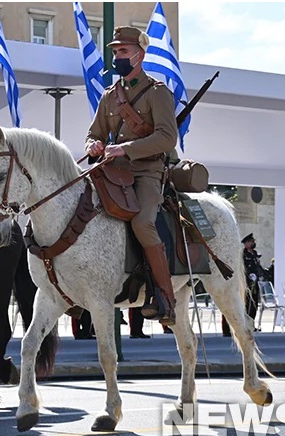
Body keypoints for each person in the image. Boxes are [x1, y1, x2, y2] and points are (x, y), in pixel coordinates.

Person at [84, 26, 179, 325]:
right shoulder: (111, 95)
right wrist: (94, 145)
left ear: (140, 54)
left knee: (142, 222)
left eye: (123, 51)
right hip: (112, 172)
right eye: (115, 52)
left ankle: (164, 297)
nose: (117, 57)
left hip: (146, 172)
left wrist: (125, 148)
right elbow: (93, 132)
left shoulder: (157, 92)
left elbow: (166, 138)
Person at [222, 233, 265, 336]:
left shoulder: (254, 254)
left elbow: (258, 267)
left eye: (253, 242)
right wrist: (249, 275)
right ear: (246, 244)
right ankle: (242, 325)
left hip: (254, 284)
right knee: (245, 305)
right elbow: (242, 269)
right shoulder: (242, 254)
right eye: (251, 242)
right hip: (245, 284)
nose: (253, 243)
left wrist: (262, 276)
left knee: (253, 305)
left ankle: (250, 325)